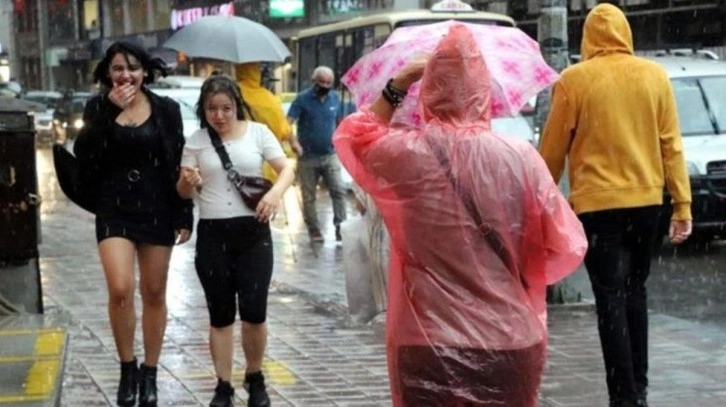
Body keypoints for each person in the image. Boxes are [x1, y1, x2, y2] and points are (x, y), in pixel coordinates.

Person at [333, 25, 587, 406]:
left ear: (430, 88)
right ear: (482, 90)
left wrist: (398, 84)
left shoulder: (405, 155)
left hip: (426, 341)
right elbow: (565, 245)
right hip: (510, 340)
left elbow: (355, 137)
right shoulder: (521, 159)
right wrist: (511, 276)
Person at [538, 4, 693, 407]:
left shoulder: (574, 81)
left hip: (596, 208)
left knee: (609, 298)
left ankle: (623, 396)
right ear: (626, 33)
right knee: (635, 291)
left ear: (587, 38)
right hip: (647, 204)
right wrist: (682, 205)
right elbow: (671, 146)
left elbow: (552, 152)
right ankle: (638, 388)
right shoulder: (654, 76)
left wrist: (538, 199)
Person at [72, 41, 194, 407]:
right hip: (113, 209)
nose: (126, 75)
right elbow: (85, 152)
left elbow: (177, 162)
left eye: (133, 68)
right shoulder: (98, 106)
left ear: (145, 72)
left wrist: (184, 214)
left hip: (157, 207)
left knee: (155, 292)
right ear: (107, 73)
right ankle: (128, 368)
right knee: (121, 289)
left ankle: (150, 372)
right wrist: (110, 112)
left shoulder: (166, 109)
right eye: (118, 68)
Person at [176, 74, 295, 407]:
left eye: (227, 108)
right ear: (204, 109)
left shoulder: (257, 132)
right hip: (214, 235)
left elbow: (287, 169)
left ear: (237, 106)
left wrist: (274, 195)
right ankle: (223, 384)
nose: (220, 116)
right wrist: (190, 180)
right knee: (221, 314)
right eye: (212, 109)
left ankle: (255, 376)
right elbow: (182, 190)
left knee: (255, 312)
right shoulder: (197, 141)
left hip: (254, 232)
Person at [287, 66, 347, 242]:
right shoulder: (302, 99)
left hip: (330, 155)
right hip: (308, 157)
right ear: (314, 82)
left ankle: (340, 227)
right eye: (321, 82)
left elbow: (340, 122)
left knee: (339, 190)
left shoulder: (335, 98)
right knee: (308, 196)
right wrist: (294, 143)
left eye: (329, 83)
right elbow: (287, 123)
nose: (325, 85)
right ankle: (314, 230)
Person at [234, 62, 293, 182]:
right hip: (267, 165)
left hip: (237, 162)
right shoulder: (270, 100)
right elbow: (284, 131)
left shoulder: (231, 94)